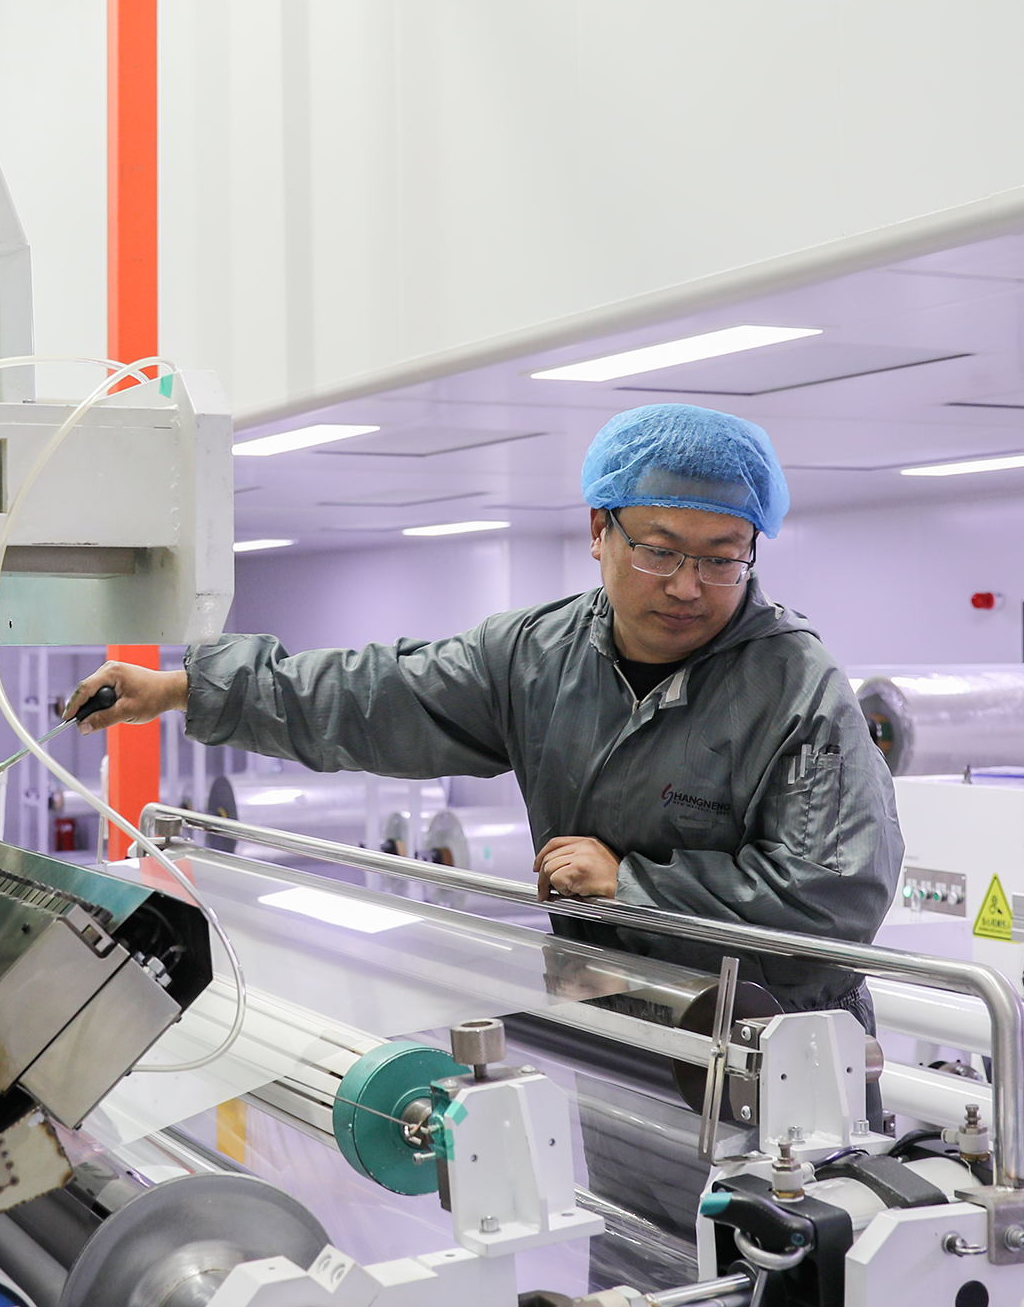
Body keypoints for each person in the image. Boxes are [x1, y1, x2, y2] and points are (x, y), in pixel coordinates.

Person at [63, 401, 901, 1015]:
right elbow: (374, 696)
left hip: (776, 1052)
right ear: (599, 530)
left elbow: (834, 898)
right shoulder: (538, 657)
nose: (688, 585)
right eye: (660, 550)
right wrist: (180, 688)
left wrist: (632, 885)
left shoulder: (795, 688)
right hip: (620, 1029)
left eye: (724, 558)